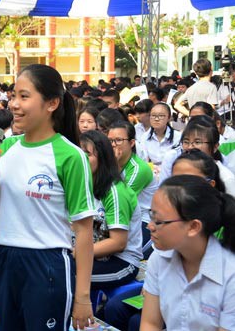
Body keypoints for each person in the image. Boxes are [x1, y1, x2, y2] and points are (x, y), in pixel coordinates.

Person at [0, 64, 96, 330]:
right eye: (13, 96)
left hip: (47, 266)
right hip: (4, 260)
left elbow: (84, 230)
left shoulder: (71, 155)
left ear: (52, 103)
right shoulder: (5, 147)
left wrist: (83, 297)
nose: (14, 105)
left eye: (24, 96)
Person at [104, 149, 225, 331]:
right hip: (170, 288)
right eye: (174, 181)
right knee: (115, 308)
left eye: (187, 181)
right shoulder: (168, 221)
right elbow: (160, 258)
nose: (177, 189)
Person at [141, 175, 235, 330]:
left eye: (159, 221)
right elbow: (150, 323)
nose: (150, 226)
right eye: (151, 215)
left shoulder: (229, 275)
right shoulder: (159, 259)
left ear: (193, 227)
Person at [80, 131, 143, 290]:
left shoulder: (115, 191)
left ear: (102, 158)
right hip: (92, 255)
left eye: (87, 154)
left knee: (67, 276)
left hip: (121, 262)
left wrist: (76, 253)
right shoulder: (82, 185)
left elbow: (118, 243)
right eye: (78, 153)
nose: (80, 158)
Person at [108, 121, 158, 259]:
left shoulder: (138, 168)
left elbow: (121, 199)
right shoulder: (108, 163)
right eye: (110, 140)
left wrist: (114, 166)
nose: (113, 145)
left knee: (120, 253)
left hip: (143, 220)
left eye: (118, 140)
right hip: (118, 215)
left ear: (131, 143)